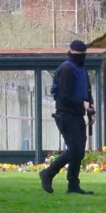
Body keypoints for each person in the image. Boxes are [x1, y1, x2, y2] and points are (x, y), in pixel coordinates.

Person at [41, 40, 94, 195]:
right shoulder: (66, 69)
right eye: (79, 55)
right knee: (75, 149)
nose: (82, 57)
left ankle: (73, 185)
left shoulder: (82, 70)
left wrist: (90, 113)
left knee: (79, 152)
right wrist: (82, 104)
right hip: (65, 114)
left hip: (78, 114)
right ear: (71, 53)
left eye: (84, 55)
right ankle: (48, 173)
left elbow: (87, 93)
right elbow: (64, 95)